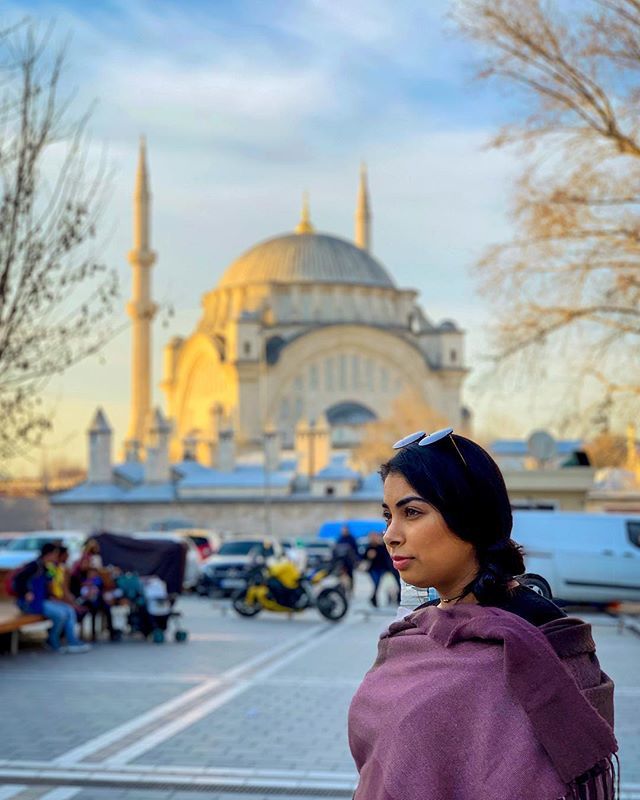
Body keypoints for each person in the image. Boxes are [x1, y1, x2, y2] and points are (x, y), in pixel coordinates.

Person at [348, 428, 617, 800]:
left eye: (411, 512)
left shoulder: (543, 637)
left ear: (470, 518)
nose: (391, 534)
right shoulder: (413, 633)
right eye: (388, 515)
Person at [12, 543, 91, 654]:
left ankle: (72, 641)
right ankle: (52, 641)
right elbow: (18, 580)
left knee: (69, 610)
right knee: (60, 615)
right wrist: (25, 593)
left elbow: (49, 588)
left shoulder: (48, 568)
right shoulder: (34, 566)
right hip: (31, 604)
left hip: (43, 601)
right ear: (49, 554)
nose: (56, 556)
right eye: (55, 554)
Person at [363, 531, 400, 607]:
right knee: (376, 584)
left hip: (385, 568)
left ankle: (397, 598)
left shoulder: (382, 546)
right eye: (372, 537)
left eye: (375, 537)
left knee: (394, 584)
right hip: (374, 569)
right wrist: (368, 555)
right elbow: (363, 557)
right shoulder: (369, 547)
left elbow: (387, 556)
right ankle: (374, 599)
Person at [330, 524, 359, 593]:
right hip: (341, 562)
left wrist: (356, 560)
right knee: (340, 576)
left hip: (349, 561)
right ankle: (342, 589)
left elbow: (356, 550)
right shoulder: (340, 539)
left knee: (350, 575)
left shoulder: (352, 539)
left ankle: (351, 589)